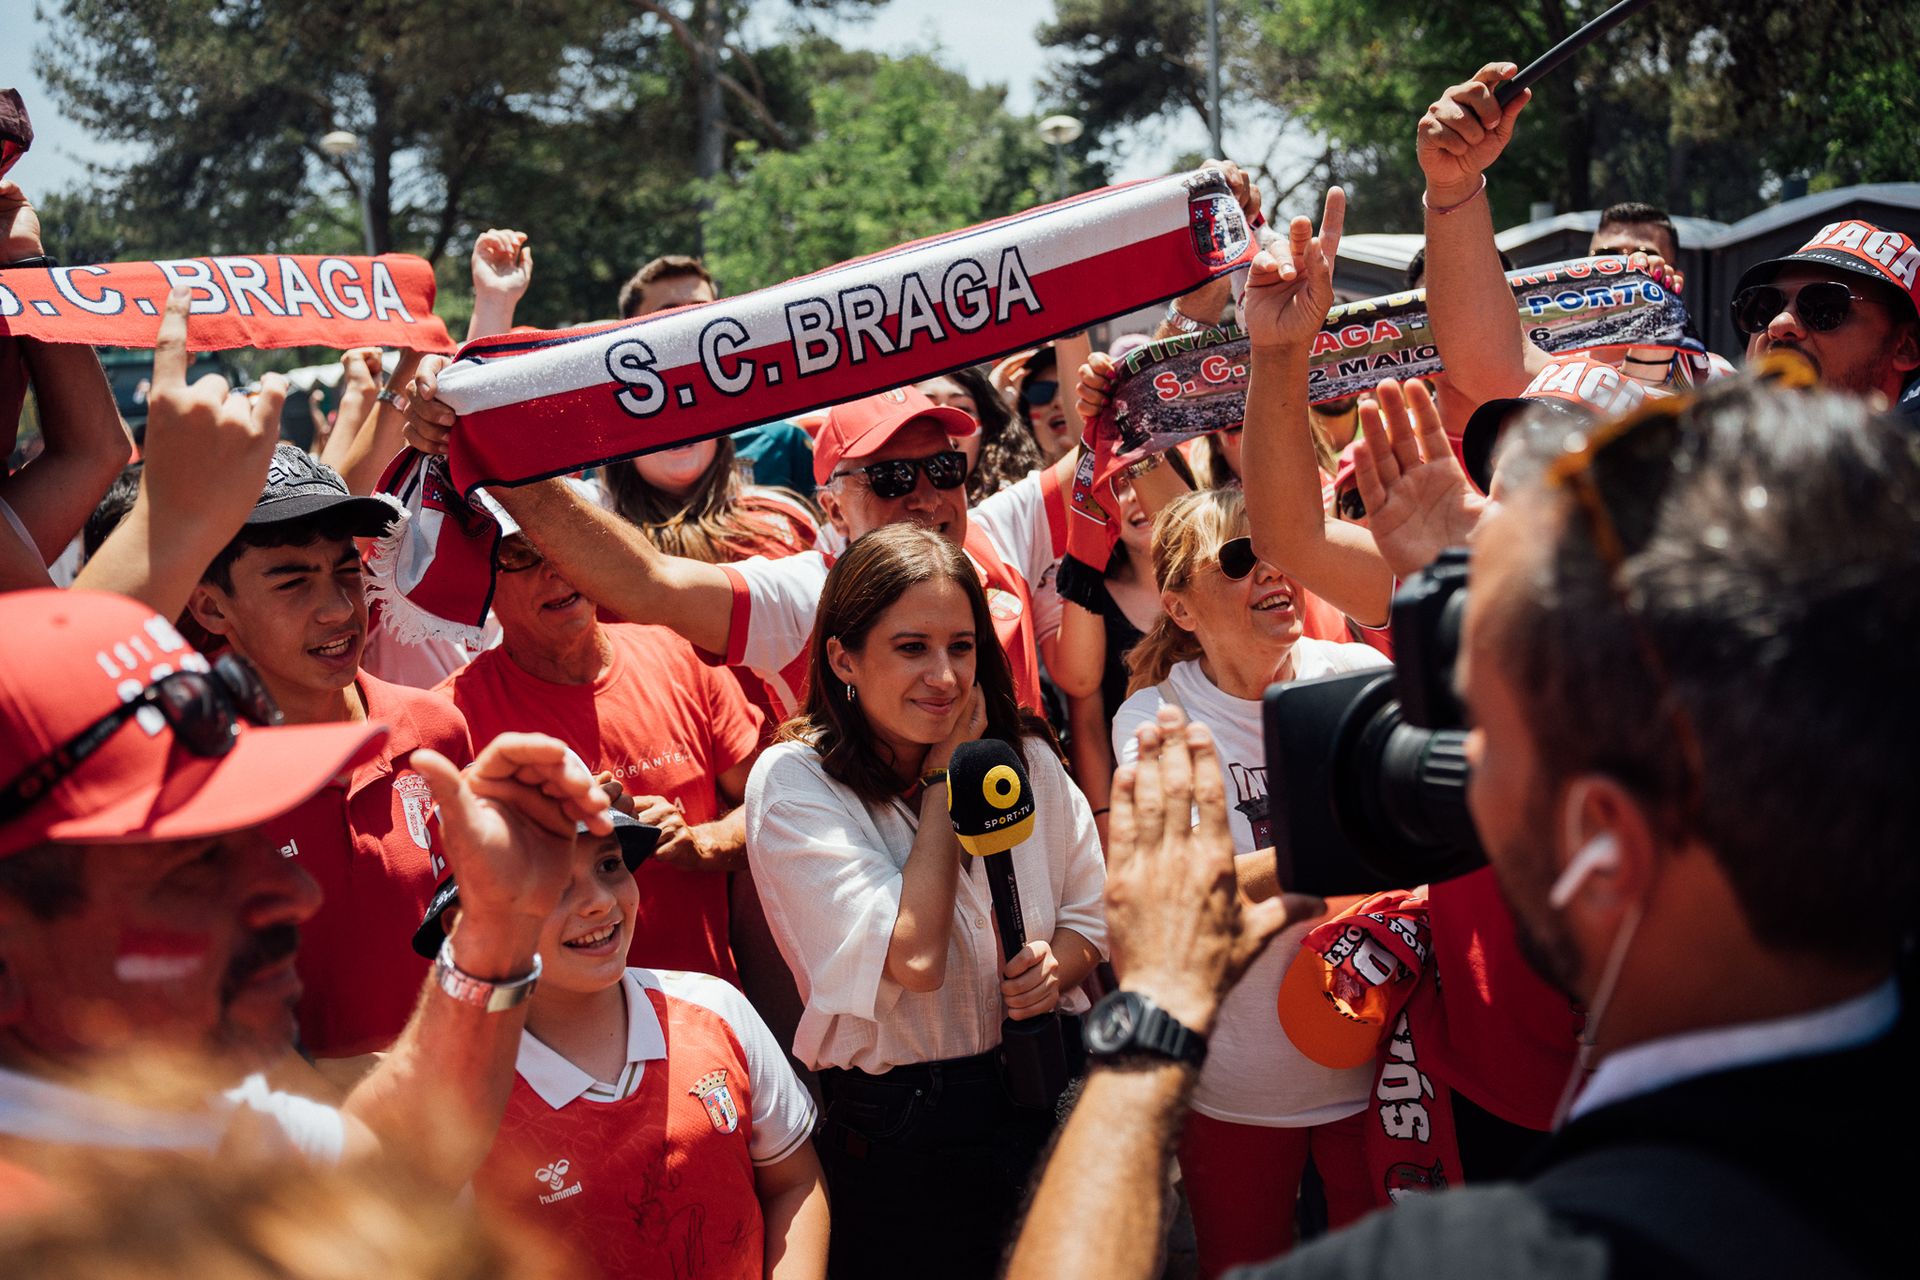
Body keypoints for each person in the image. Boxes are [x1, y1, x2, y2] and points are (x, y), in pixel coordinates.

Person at [1007, 371, 1916, 1280]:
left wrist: (1148, 1032)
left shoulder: (1496, 1257)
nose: (1442, 778)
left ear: (1603, 850)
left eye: (1488, 738)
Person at [0, 587, 615, 1196]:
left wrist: (499, 923)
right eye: (197, 862)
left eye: (258, 836)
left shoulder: (193, 1103)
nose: (295, 893)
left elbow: (395, 1169)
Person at [742, 524, 1107, 1280]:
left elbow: (1091, 916)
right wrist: (946, 778)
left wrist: (1055, 967)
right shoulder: (794, 782)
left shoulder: (1028, 755)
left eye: (961, 647)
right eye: (912, 647)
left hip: (1044, 1095)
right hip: (904, 1134)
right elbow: (914, 958)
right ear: (842, 658)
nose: (944, 676)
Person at [402, 383, 1074, 722]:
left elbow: (1106, 450)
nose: (926, 497)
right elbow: (650, 584)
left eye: (944, 469)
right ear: (833, 508)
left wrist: (1110, 373)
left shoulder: (998, 534)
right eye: (893, 478)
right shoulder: (807, 595)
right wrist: (490, 452)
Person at [1111, 487, 1389, 1276]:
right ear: (1180, 607)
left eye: (1280, 550)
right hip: (1235, 1085)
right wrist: (1347, 839)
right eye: (1239, 558)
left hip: (1376, 1065)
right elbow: (1184, 896)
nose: (1272, 571)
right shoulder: (1154, 721)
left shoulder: (1361, 673)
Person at [411, 812, 829, 1280]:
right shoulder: (455, 1104)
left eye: (609, 865)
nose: (599, 901)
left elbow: (793, 1183)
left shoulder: (716, 1010)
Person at [184, 444, 474, 1057]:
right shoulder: (187, 776)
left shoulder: (437, 729)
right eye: (293, 583)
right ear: (210, 606)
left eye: (347, 571)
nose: (340, 609)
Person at [1419, 61, 1920, 406]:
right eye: (1762, 306)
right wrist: (1453, 186)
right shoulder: (1700, 428)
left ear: (1907, 347)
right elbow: (1495, 364)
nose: (1781, 325)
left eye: (1825, 307)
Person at [436, 531, 763, 985]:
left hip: (707, 1008)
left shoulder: (676, 651)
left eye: (565, 543)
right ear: (481, 579)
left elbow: (775, 808)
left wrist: (703, 844)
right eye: (521, 555)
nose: (555, 568)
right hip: (549, 1023)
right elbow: (447, 903)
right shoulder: (450, 719)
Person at [618, 253, 817, 494]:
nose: (688, 325)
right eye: (667, 315)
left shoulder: (782, 441)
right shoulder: (615, 459)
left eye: (701, 311)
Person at [918, 365, 1044, 502]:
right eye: (926, 408)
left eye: (962, 409)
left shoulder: (1018, 502)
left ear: (987, 431)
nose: (945, 420)